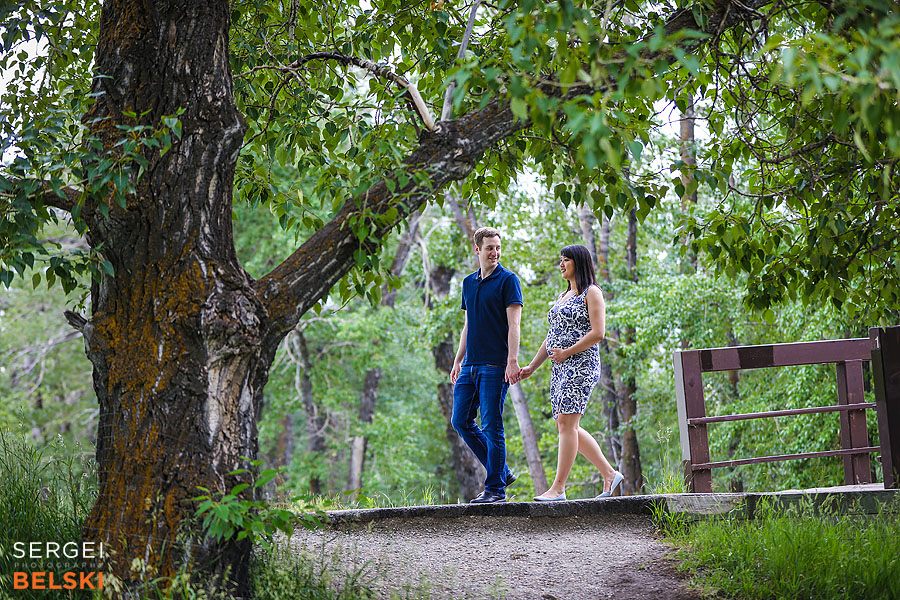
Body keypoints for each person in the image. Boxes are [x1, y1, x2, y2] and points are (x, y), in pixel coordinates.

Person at [520, 244, 623, 501]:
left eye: (566, 260)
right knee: (565, 425)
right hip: (560, 367)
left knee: (567, 424)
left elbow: (598, 333)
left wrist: (567, 352)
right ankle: (610, 474)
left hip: (582, 365)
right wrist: (532, 366)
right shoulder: (563, 295)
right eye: (561, 259)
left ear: (579, 262)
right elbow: (551, 336)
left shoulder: (592, 292)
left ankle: (558, 488)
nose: (561, 264)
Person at [450, 226, 523, 503]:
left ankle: (495, 489)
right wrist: (458, 359)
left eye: (498, 248)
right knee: (460, 420)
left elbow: (514, 324)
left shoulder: (508, 280)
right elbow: (468, 324)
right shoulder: (468, 283)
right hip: (470, 364)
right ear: (477, 249)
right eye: (490, 248)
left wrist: (512, 361)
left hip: (495, 365)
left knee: (492, 425)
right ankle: (500, 470)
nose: (495, 252)